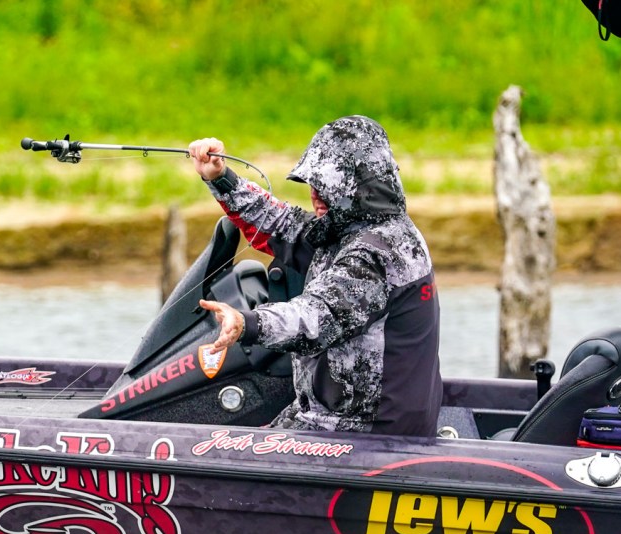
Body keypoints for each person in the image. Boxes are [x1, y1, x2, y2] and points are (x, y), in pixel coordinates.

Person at [188, 115, 442, 437]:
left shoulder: (378, 252)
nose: (315, 195)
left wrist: (246, 323)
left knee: (232, 451)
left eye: (327, 186)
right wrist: (221, 177)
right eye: (314, 183)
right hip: (334, 416)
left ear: (359, 188)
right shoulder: (353, 228)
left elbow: (315, 317)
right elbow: (279, 222)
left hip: (368, 432)